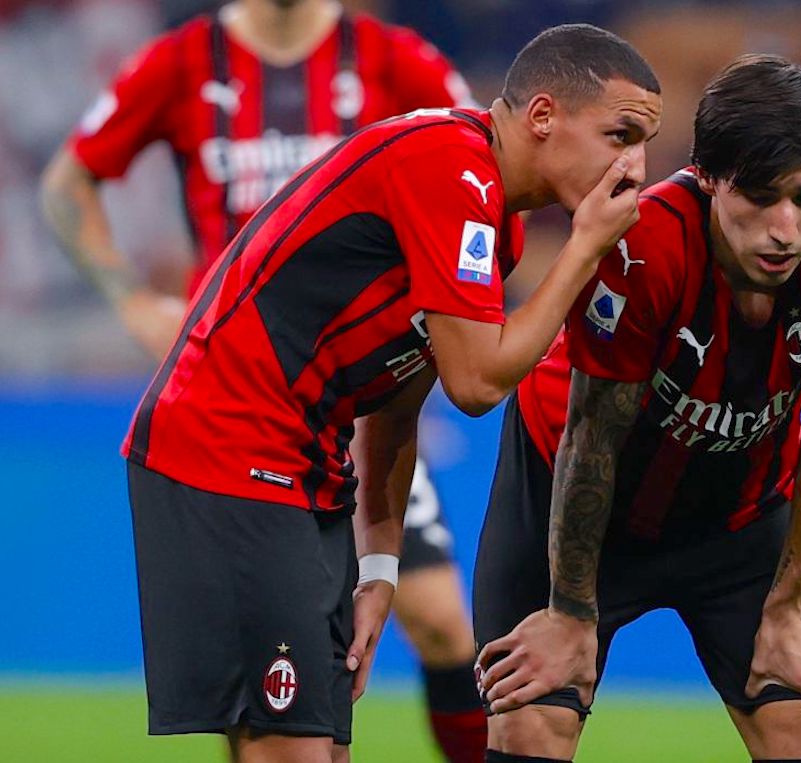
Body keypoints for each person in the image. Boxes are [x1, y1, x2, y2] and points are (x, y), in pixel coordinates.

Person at [72, 23, 660, 763]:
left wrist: (380, 564)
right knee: (287, 747)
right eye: (621, 133)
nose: (634, 165)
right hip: (225, 448)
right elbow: (476, 382)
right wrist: (583, 248)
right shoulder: (449, 165)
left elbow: (396, 403)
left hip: (307, 467)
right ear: (543, 116)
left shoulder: (493, 224)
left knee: (318, 747)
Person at [39, 2, 488, 758]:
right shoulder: (181, 63)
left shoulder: (387, 58)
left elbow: (481, 163)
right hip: (241, 402)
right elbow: (67, 184)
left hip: (353, 400)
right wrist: (133, 301)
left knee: (443, 618)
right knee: (261, 674)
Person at [473, 55, 801, 763]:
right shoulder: (645, 243)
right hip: (572, 497)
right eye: (760, 196)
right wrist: (571, 611)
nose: (784, 229)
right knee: (531, 723)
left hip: (741, 515)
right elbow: (593, 438)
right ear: (706, 177)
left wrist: (790, 607)